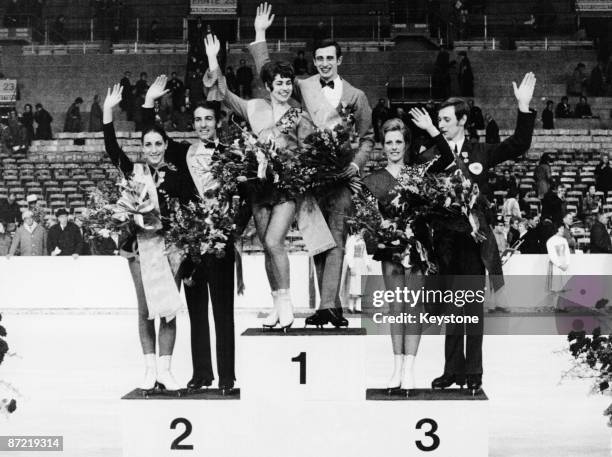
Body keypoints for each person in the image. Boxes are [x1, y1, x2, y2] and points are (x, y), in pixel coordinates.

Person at [250, 3, 375, 328]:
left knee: (336, 237)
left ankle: (331, 306)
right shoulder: (303, 89)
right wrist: (260, 36)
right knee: (318, 242)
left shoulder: (356, 96)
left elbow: (368, 138)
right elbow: (269, 75)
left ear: (339, 61)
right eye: (319, 59)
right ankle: (326, 305)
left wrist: (356, 165)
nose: (324, 64)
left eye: (329, 59)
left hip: (342, 179)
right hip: (310, 181)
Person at [416, 72, 537, 394]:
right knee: (451, 307)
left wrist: (523, 109)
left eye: (445, 119)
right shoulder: (430, 155)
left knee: (470, 307)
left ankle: (474, 371)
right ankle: (451, 369)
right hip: (443, 242)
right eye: (438, 119)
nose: (440, 124)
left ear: (463, 120)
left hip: (472, 241)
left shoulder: (481, 153)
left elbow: (519, 144)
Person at [205, 34, 333, 331]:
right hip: (258, 186)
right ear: (268, 87)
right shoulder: (253, 108)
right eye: (279, 83)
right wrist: (214, 60)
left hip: (287, 187)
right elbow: (223, 93)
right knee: (266, 246)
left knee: (275, 241)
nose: (285, 88)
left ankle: (288, 303)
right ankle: (276, 305)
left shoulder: (299, 115)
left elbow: (311, 150)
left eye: (289, 83)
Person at [141, 75, 248, 393]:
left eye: (208, 119)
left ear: (217, 123)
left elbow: (246, 199)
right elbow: (154, 136)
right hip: (192, 244)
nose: (203, 124)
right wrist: (149, 103)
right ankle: (202, 373)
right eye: (198, 120)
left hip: (220, 242)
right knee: (197, 310)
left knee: (223, 311)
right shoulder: (183, 153)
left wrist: (231, 230)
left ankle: (227, 375)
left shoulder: (231, 155)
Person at [102, 81, 188, 393]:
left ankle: (166, 370)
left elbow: (187, 212)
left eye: (157, 144)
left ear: (166, 145)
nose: (152, 149)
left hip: (170, 249)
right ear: (142, 147)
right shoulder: (134, 172)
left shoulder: (178, 176)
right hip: (139, 248)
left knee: (167, 308)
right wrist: (107, 112)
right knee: (144, 309)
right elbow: (112, 149)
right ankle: (149, 369)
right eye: (147, 144)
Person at [363, 112, 454, 396]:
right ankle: (397, 366)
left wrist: (430, 128)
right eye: (388, 141)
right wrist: (382, 240)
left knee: (413, 310)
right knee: (396, 310)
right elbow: (368, 222)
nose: (393, 146)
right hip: (390, 254)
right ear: (382, 145)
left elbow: (447, 156)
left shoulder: (418, 173)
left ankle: (411, 369)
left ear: (406, 144)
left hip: (416, 253)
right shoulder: (372, 181)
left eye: (398, 141)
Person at [546, 222, 570, 294]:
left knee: (565, 287)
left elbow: (567, 253)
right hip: (556, 266)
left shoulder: (564, 240)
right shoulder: (550, 241)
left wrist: (567, 264)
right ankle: (555, 304)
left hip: (565, 265)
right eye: (561, 228)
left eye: (563, 228)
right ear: (556, 229)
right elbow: (552, 255)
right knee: (556, 287)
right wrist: (560, 265)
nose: (563, 230)